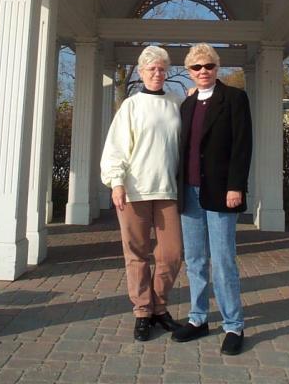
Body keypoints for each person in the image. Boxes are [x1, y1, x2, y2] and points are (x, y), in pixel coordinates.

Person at [171, 43, 252, 355]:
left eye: (208, 66)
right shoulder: (186, 105)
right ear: (189, 71)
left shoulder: (234, 98)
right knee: (193, 259)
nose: (203, 71)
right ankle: (198, 318)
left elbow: (242, 146)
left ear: (217, 68)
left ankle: (233, 324)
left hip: (221, 192)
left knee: (223, 260)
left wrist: (236, 186)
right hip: (189, 192)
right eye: (196, 67)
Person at [101, 45, 182, 341]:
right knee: (136, 254)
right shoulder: (131, 106)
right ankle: (142, 311)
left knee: (171, 254)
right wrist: (117, 182)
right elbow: (116, 147)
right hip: (134, 192)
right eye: (151, 69)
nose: (157, 74)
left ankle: (160, 306)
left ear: (167, 71)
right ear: (141, 71)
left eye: (162, 69)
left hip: (168, 192)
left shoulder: (176, 103)